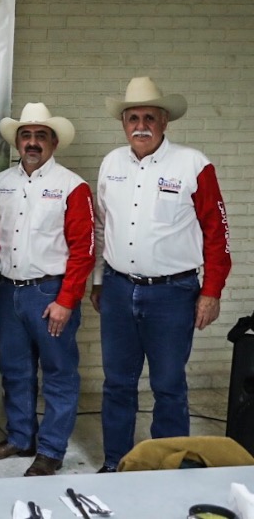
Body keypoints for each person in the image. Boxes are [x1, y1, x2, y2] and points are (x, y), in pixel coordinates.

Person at [91, 77, 230, 473]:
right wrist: (99, 281)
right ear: (123, 123)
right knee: (117, 383)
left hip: (173, 293)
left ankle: (169, 468)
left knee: (168, 386)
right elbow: (102, 226)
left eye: (149, 117)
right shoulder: (111, 163)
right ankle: (116, 463)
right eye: (133, 117)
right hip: (118, 289)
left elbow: (217, 234)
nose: (141, 125)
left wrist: (211, 291)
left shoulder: (193, 164)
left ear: (165, 120)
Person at [0, 103, 94, 477]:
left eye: (40, 136)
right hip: (6, 290)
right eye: (25, 135)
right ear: (17, 142)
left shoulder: (72, 186)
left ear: (54, 142)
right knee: (14, 370)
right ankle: (20, 437)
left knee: (58, 373)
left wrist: (67, 300)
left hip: (50, 293)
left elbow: (84, 249)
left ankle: (51, 449)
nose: (32, 142)